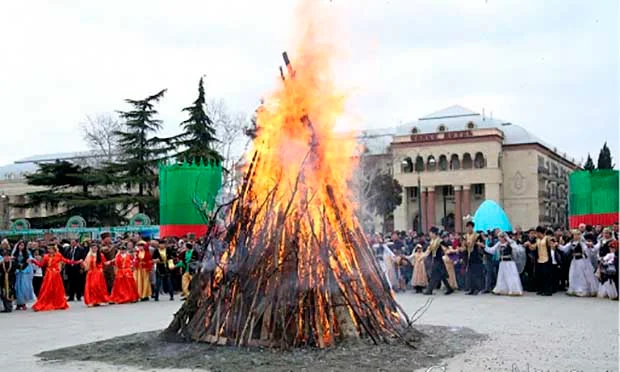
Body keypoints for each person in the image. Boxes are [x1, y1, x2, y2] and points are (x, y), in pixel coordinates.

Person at [30, 243, 81, 312]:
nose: (49, 250)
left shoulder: (58, 255)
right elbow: (41, 265)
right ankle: (45, 302)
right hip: (48, 275)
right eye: (48, 249)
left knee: (56, 289)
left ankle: (57, 303)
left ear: (54, 249)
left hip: (56, 275)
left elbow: (67, 261)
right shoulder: (46, 256)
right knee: (46, 289)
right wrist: (34, 261)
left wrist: (77, 262)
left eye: (50, 248)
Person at [558, 230, 598, 297]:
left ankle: (582, 290)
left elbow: (586, 250)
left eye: (577, 235)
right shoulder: (571, 242)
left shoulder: (582, 242)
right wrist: (557, 245)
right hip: (574, 261)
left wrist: (588, 246)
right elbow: (564, 249)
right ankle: (575, 289)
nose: (575, 236)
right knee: (573, 275)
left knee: (581, 276)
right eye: (574, 235)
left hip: (581, 261)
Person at [485, 232, 523, 296]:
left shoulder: (509, 243)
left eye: (500, 237)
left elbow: (516, 248)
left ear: (504, 237)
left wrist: (509, 240)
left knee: (510, 276)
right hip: (502, 263)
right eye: (499, 237)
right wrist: (484, 247)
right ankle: (502, 289)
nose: (499, 239)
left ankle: (513, 290)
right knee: (502, 277)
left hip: (509, 263)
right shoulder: (499, 243)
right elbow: (492, 250)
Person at [423, 227, 454, 295]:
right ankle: (449, 288)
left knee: (434, 274)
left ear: (434, 233)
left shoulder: (440, 241)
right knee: (442, 275)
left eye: (431, 233)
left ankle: (429, 290)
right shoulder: (432, 241)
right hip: (434, 259)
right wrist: (424, 255)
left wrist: (450, 251)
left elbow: (446, 247)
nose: (430, 234)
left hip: (438, 260)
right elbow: (429, 250)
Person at [525, 226, 553, 296]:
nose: (536, 234)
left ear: (540, 232)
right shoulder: (537, 240)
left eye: (537, 233)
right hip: (539, 260)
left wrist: (554, 244)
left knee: (546, 276)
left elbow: (552, 245)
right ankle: (541, 289)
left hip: (546, 260)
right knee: (540, 275)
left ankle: (548, 291)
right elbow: (533, 248)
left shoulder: (547, 238)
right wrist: (529, 244)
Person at [460, 221, 484, 295]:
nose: (469, 228)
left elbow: (481, 244)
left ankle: (477, 289)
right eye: (468, 227)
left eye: (470, 227)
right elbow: (463, 246)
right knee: (469, 273)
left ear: (472, 227)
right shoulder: (465, 236)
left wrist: (478, 244)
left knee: (476, 273)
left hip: (475, 256)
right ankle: (471, 288)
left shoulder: (477, 235)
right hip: (468, 256)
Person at [82, 243, 111, 307]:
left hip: (98, 273)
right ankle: (92, 300)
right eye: (93, 248)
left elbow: (105, 263)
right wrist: (82, 263)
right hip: (91, 273)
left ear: (97, 249)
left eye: (95, 248)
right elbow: (86, 265)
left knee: (98, 286)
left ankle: (100, 300)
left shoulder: (101, 255)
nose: (94, 249)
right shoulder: (89, 256)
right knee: (91, 287)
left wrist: (111, 262)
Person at [13, 241, 35, 310]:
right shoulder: (15, 253)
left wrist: (25, 265)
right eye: (20, 245)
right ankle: (18, 303)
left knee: (24, 288)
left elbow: (29, 261)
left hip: (24, 272)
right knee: (17, 288)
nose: (21, 246)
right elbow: (14, 261)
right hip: (17, 272)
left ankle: (23, 303)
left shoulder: (27, 253)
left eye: (22, 245)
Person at [0, 247, 16, 312]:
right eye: (5, 256)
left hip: (11, 279)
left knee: (10, 293)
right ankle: (6, 307)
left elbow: (14, 271)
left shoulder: (12, 263)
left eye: (7, 256)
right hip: (3, 280)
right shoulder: (1, 264)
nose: (6, 258)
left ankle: (9, 307)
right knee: (3, 293)